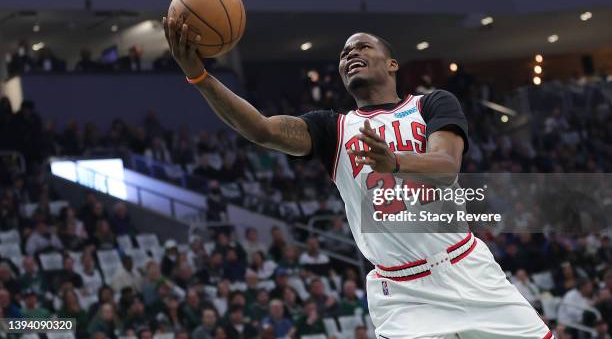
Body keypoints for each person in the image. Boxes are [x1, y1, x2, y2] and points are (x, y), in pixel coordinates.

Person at [163, 19, 553, 338]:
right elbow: (262, 129)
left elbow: (447, 165)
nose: (351, 54)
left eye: (362, 47)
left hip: (465, 268)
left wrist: (395, 162)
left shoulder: (431, 104)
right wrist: (199, 77)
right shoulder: (333, 128)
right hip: (401, 292)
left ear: (392, 63)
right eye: (345, 52)